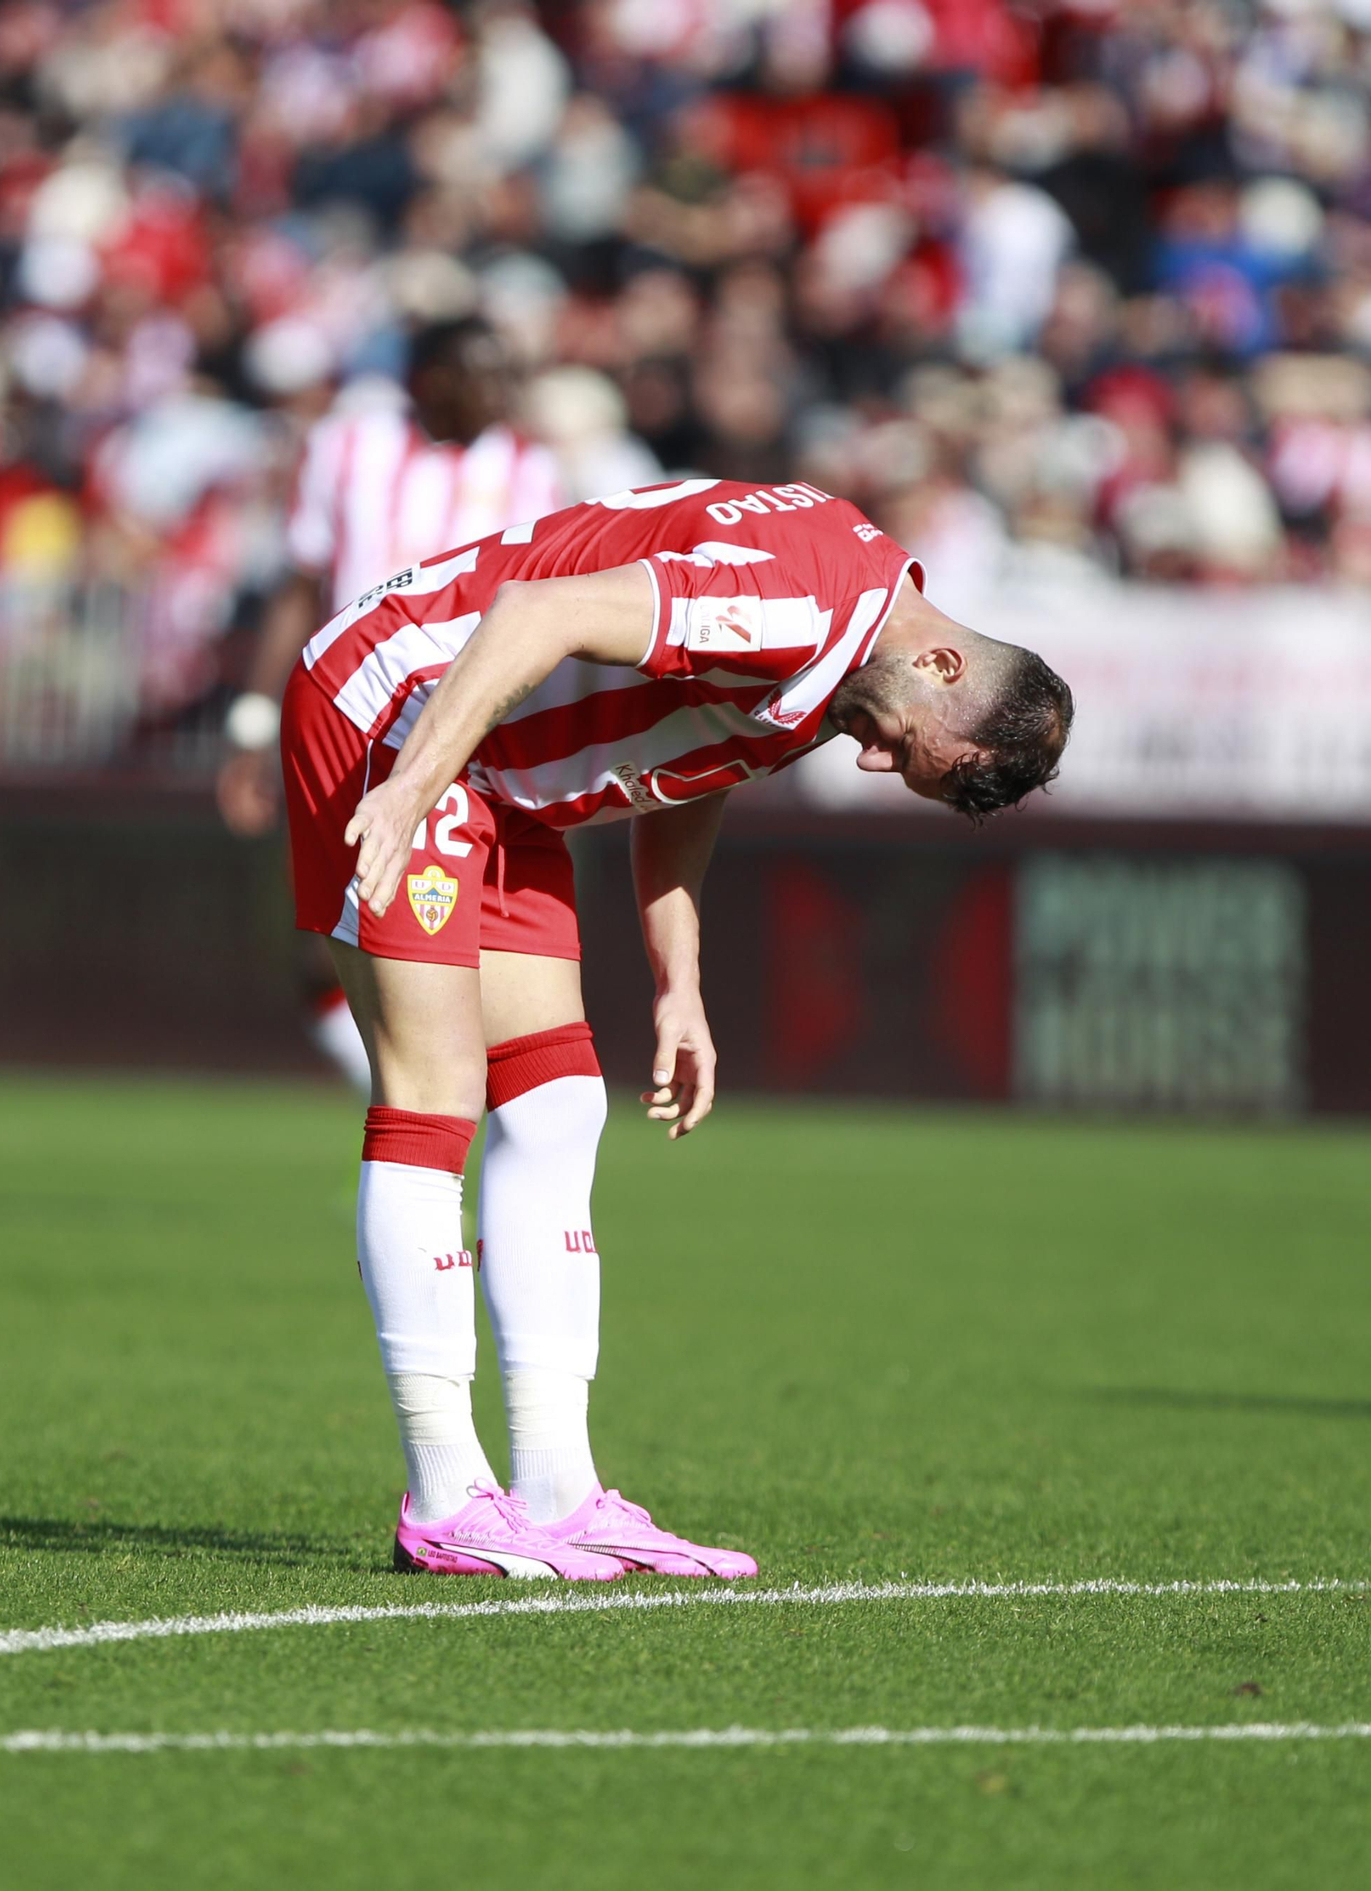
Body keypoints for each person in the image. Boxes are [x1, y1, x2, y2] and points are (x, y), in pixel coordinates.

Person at [280, 475, 1072, 1580]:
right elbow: (533, 615)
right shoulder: (805, 606)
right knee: (435, 1089)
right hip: (401, 710)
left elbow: (699, 754)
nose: (874, 762)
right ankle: (444, 1493)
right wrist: (412, 785)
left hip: (497, 775)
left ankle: (555, 1490)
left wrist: (678, 981)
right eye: (906, 751)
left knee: (556, 1109)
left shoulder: (852, 654)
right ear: (943, 665)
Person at [218, 317, 562, 1085]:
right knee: (326, 944)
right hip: (347, 717)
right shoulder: (348, 448)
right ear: (433, 378)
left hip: (465, 727)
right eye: (485, 374)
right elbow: (299, 587)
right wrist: (252, 726)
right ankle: (409, 1111)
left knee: (468, 945)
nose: (501, 394)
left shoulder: (531, 469)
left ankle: (432, 1121)